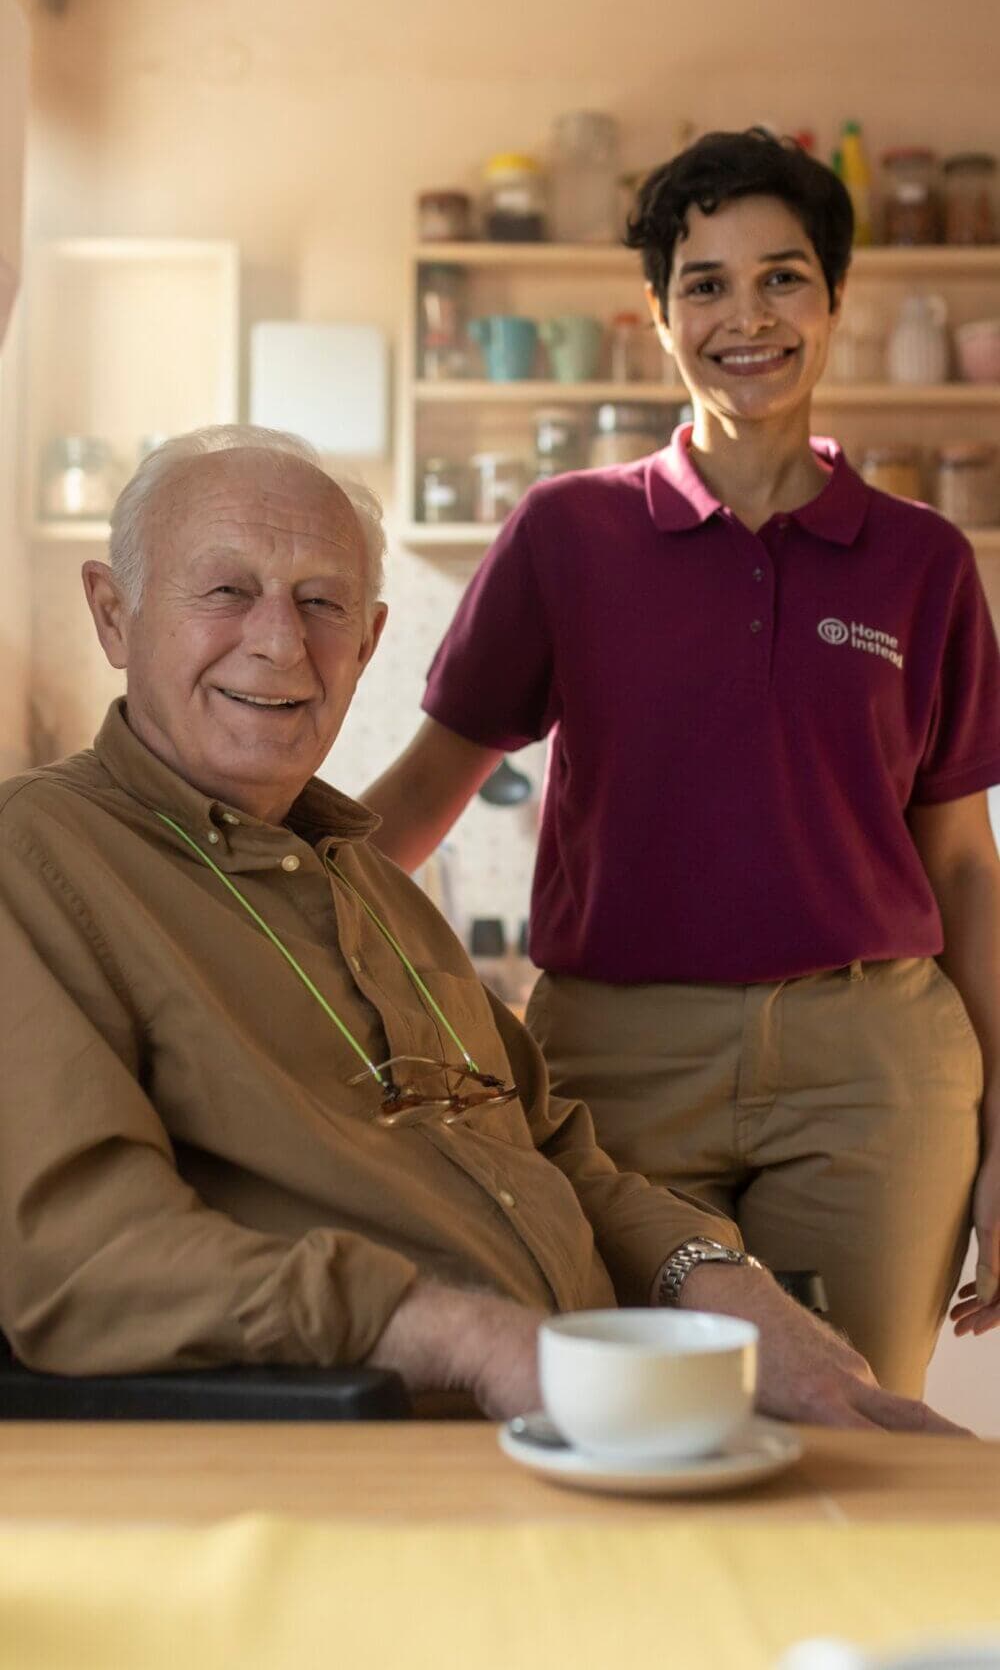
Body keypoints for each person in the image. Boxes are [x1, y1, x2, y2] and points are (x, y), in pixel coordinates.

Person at [0, 422, 962, 1433]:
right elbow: (80, 1256)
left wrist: (730, 1291)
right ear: (113, 614)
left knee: (908, 1498)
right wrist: (465, 1339)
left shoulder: (372, 882)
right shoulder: (40, 861)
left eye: (321, 603)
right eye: (227, 591)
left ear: (367, 643)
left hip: (598, 1422)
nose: (281, 642)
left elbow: (555, 1152)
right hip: (398, 1458)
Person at [364, 130, 1000, 1399]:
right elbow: (420, 800)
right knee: (633, 1413)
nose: (744, 315)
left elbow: (964, 868)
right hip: (615, 1071)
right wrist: (236, 900)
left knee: (857, 1427)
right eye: (704, 283)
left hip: (872, 1067)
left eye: (780, 278)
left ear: (831, 301)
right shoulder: (565, 533)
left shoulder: (922, 563)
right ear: (657, 316)